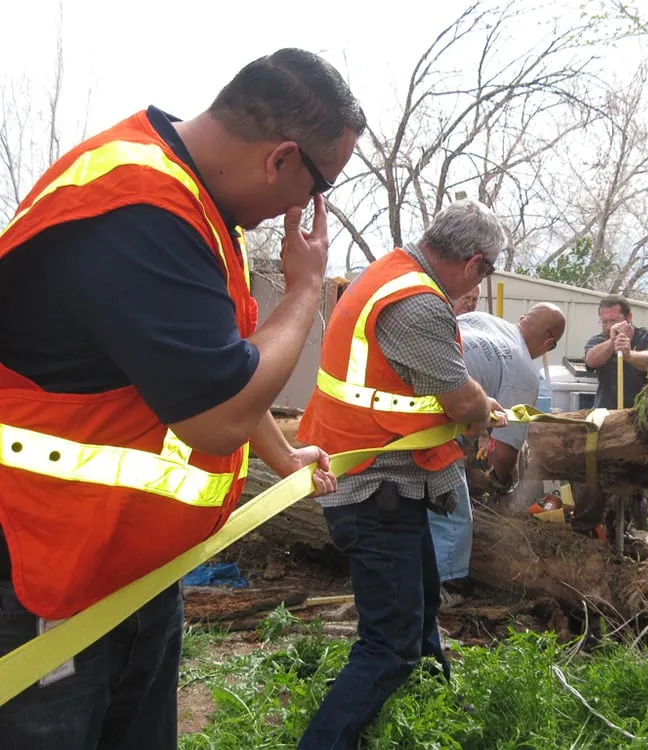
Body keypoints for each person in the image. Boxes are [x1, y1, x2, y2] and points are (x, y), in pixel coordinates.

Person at [0, 49, 363, 748]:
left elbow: (208, 367)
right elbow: (216, 415)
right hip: (41, 557)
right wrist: (301, 292)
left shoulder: (191, 205)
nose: (306, 212)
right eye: (318, 189)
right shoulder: (140, 211)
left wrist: (283, 455)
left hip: (124, 562)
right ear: (281, 159)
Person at [295, 198, 509, 749]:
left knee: (421, 609)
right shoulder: (416, 303)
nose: (479, 287)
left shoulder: (395, 273)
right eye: (486, 274)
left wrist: (479, 406)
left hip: (387, 479)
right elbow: (463, 403)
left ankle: (441, 711)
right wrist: (484, 409)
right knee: (390, 644)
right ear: (475, 261)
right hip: (373, 486)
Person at [429, 303, 566, 594]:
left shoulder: (481, 320)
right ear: (549, 343)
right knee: (454, 513)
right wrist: (502, 484)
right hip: (433, 420)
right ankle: (445, 588)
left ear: (521, 319)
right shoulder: (525, 371)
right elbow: (504, 453)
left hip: (397, 396)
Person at [571, 296, 648, 547]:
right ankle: (588, 528)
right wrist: (612, 343)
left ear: (629, 317)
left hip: (640, 421)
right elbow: (591, 360)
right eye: (604, 321)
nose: (609, 325)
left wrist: (629, 354)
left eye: (614, 320)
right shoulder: (599, 340)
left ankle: (622, 528)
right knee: (596, 473)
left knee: (631, 478)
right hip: (605, 419)